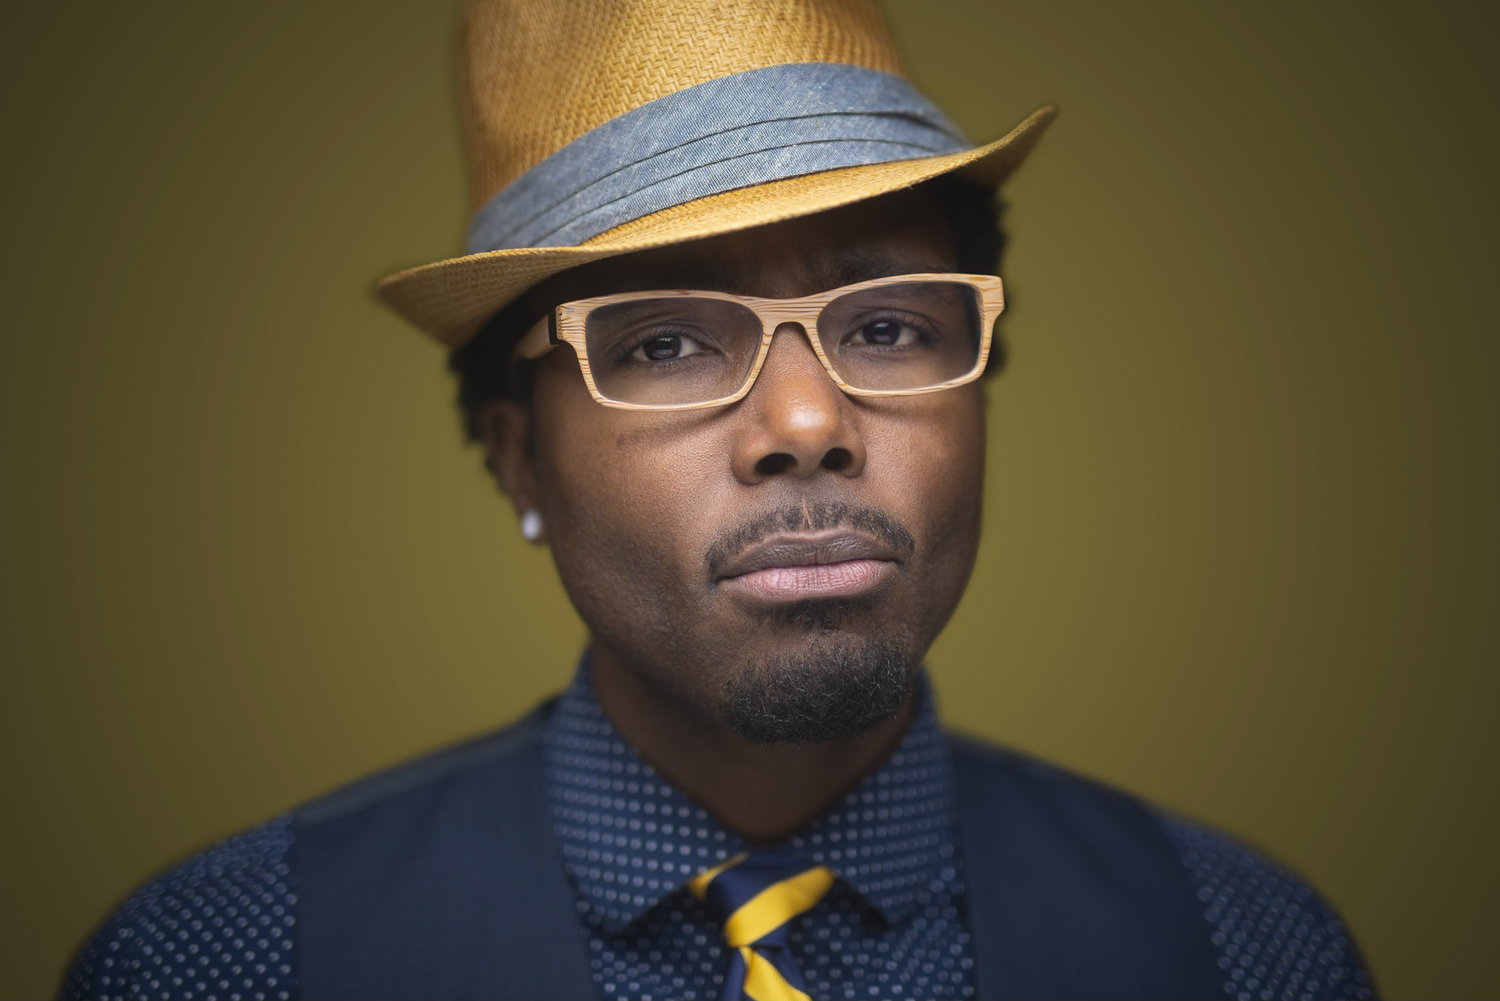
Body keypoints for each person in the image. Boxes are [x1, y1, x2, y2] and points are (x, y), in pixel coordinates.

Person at [61, 2, 1376, 999]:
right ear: (519, 456)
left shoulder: (1247, 951)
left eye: (889, 326)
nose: (806, 425)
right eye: (664, 342)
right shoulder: (225, 960)